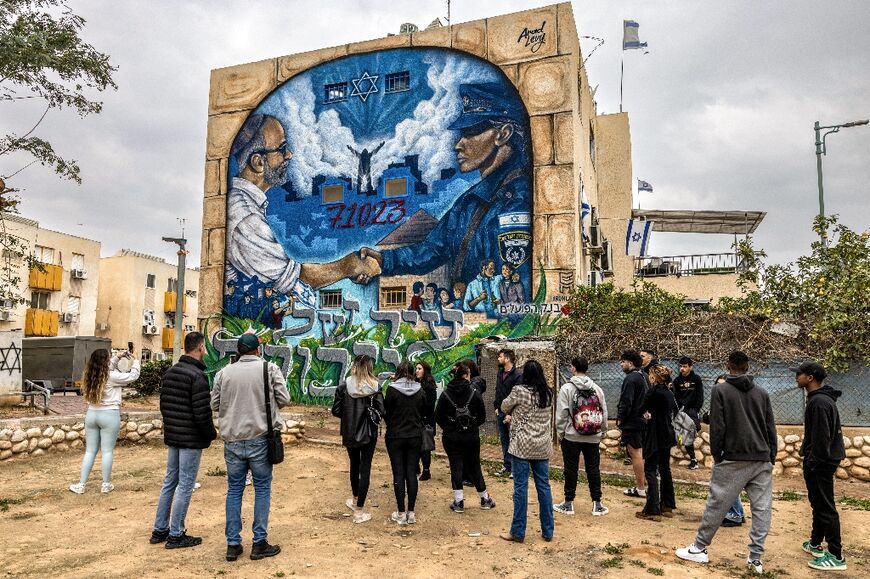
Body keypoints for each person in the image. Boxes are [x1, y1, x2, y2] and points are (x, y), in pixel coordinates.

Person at [360, 83, 532, 302]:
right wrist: (383, 261)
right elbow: (432, 249)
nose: (457, 145)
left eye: (470, 132)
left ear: (503, 134)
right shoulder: (470, 202)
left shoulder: (518, 199)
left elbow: (518, 283)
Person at [226, 113, 378, 307]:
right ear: (258, 162)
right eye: (281, 149)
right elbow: (290, 278)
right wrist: (348, 266)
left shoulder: (243, 205)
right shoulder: (243, 216)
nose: (289, 155)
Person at [676, 351, 777, 575]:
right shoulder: (762, 393)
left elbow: (718, 425)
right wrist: (771, 455)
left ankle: (700, 548)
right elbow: (770, 426)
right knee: (762, 509)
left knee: (717, 503)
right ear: (748, 366)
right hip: (761, 457)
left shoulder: (720, 390)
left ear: (728, 365)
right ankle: (755, 558)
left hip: (732, 457)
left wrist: (717, 455)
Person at [211, 333, 289, 562]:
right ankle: (259, 543)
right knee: (262, 489)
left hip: (232, 441)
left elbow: (214, 404)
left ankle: (233, 544)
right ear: (258, 350)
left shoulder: (223, 373)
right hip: (261, 439)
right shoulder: (270, 369)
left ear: (238, 350)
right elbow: (284, 399)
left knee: (234, 490)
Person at [150, 332, 217, 549]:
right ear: (199, 348)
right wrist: (210, 434)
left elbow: (164, 405)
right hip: (191, 439)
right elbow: (202, 413)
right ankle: (176, 533)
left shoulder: (171, 372)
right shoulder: (197, 377)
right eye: (204, 347)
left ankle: (160, 528)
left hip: (174, 436)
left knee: (170, 482)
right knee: (186, 484)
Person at [793, 361, 847, 571]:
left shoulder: (819, 403)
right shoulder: (818, 400)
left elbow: (822, 439)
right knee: (818, 503)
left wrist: (812, 462)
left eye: (799, 374)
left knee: (826, 507)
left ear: (810, 378)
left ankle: (835, 555)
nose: (796, 377)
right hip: (821, 460)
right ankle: (816, 543)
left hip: (822, 462)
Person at [69, 348, 140, 495]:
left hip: (92, 414)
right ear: (106, 361)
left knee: (90, 451)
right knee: (107, 451)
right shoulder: (112, 376)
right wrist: (136, 360)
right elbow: (133, 376)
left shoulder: (89, 375)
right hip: (109, 414)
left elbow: (106, 368)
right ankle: (106, 484)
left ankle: (81, 485)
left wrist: (117, 357)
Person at [499, 360, 554, 543]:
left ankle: (518, 531)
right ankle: (548, 531)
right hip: (542, 445)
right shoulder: (548, 393)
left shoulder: (519, 391)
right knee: (544, 487)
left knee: (520, 488)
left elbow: (504, 406)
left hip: (522, 445)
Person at [330, 354, 385, 524]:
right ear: (369, 367)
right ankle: (359, 511)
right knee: (365, 467)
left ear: (354, 366)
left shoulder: (344, 386)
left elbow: (336, 411)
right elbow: (381, 412)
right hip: (369, 433)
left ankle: (354, 500)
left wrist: (348, 415)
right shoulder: (375, 387)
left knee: (354, 464)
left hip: (349, 432)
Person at [435, 361, 495, 513]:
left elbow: (438, 416)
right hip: (470, 437)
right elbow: (482, 416)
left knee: (456, 466)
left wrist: (449, 427)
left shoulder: (445, 394)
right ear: (466, 375)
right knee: (475, 466)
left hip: (451, 437)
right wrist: (471, 426)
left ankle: (459, 501)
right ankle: (485, 498)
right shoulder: (474, 393)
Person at [554, 357, 609, 516]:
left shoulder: (566, 389)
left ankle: (568, 503)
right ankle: (597, 504)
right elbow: (603, 412)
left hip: (572, 436)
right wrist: (602, 432)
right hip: (593, 436)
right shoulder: (597, 389)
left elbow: (562, 414)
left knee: (570, 469)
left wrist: (561, 433)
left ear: (573, 368)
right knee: (593, 469)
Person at [384, 362, 425, 525]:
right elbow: (424, 411)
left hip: (395, 436)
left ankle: (401, 512)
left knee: (398, 473)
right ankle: (411, 513)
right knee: (411, 474)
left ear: (398, 372)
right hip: (414, 436)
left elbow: (386, 412)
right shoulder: (420, 390)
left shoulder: (392, 389)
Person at [636, 365, 678, 522]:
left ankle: (652, 509)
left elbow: (641, 408)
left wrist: (645, 414)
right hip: (667, 433)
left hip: (654, 434)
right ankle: (667, 505)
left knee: (650, 469)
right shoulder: (668, 392)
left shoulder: (653, 392)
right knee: (665, 469)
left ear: (654, 377)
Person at [617, 350, 648, 498]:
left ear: (630, 362)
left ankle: (640, 488)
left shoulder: (631, 379)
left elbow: (626, 401)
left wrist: (620, 418)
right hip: (643, 420)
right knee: (641, 454)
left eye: (623, 362)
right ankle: (645, 483)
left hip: (632, 422)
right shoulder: (644, 376)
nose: (621, 364)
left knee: (635, 454)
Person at [493, 348, 522, 478]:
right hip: (500, 412)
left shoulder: (517, 375)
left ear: (507, 358)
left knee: (514, 440)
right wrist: (496, 406)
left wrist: (511, 413)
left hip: (512, 414)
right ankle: (507, 465)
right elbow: (497, 389)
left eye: (500, 356)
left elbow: (518, 396)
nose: (498, 359)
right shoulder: (500, 372)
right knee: (504, 440)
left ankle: (515, 468)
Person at [673, 356, 704, 470]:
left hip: (692, 410)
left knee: (693, 431)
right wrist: (677, 412)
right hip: (682, 411)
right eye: (680, 366)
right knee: (684, 435)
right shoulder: (677, 380)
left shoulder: (696, 379)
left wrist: (696, 409)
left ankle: (694, 460)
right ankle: (694, 460)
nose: (682, 369)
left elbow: (700, 396)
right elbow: (675, 398)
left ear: (690, 367)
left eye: (685, 366)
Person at [415, 361, 437, 481]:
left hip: (426, 421)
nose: (417, 370)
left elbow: (430, 406)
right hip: (416, 419)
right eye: (416, 368)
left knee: (425, 447)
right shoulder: (415, 383)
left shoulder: (429, 386)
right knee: (416, 445)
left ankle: (426, 470)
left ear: (425, 370)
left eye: (419, 368)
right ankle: (416, 467)